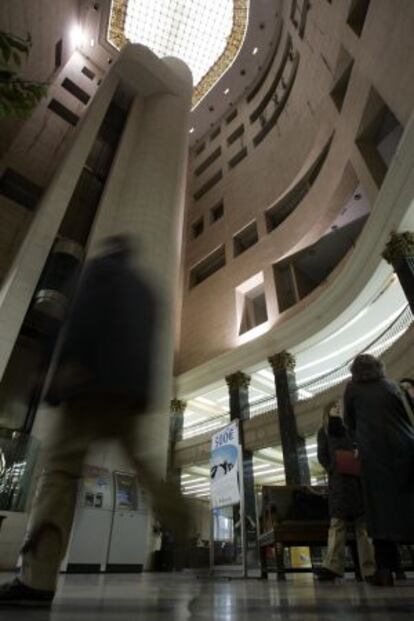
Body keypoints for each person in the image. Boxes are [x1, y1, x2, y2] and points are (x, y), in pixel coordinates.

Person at [0, 235, 189, 607]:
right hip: (130, 393)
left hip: (88, 383)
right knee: (145, 469)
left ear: (108, 252)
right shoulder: (147, 291)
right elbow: (153, 347)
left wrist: (62, 368)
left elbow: (78, 318)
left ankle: (36, 578)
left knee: (59, 473)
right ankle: (184, 523)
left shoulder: (97, 272)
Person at [344, 354, 414, 586]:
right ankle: (401, 570)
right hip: (405, 450)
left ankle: (386, 570)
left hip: (375, 455)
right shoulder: (392, 386)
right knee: (407, 506)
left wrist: (359, 443)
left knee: (379, 511)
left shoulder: (353, 389)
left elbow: (349, 423)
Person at [316, 400, 375, 582]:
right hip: (339, 482)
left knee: (362, 526)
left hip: (355, 481)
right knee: (337, 524)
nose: (338, 409)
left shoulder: (349, 429)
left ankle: (369, 569)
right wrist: (334, 467)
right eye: (335, 407)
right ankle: (333, 566)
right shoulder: (324, 431)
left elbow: (358, 446)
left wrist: (356, 453)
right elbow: (322, 455)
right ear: (328, 410)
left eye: (339, 407)